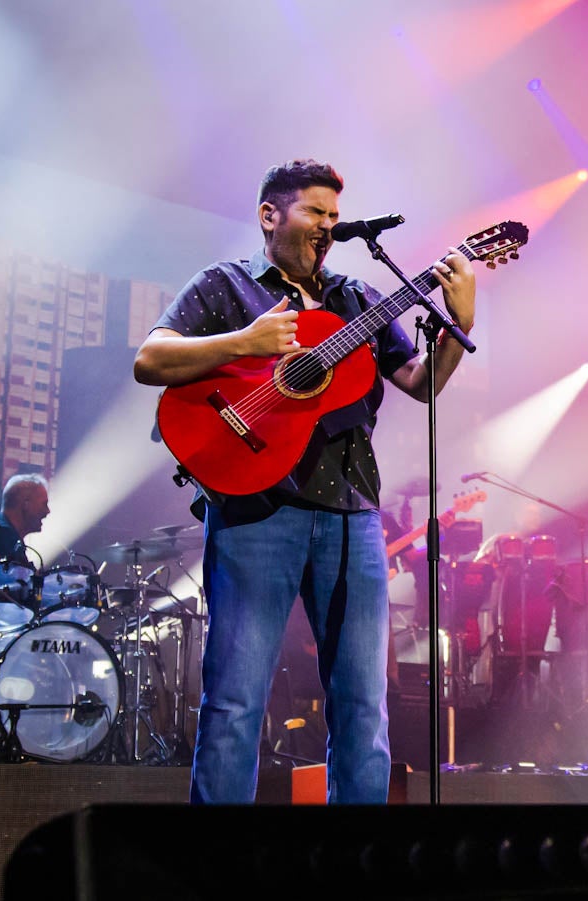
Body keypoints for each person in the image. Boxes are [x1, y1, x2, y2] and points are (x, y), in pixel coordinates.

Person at [133, 158, 476, 803]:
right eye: (315, 211)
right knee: (235, 700)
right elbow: (151, 360)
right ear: (271, 215)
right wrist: (244, 341)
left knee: (363, 706)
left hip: (351, 514)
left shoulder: (358, 301)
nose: (328, 226)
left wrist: (460, 324)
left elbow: (422, 383)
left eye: (335, 217)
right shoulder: (226, 286)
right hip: (256, 510)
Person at [0, 473, 51, 606]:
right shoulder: (3, 540)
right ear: (26, 504)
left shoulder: (4, 536)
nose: (48, 511)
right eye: (44, 504)